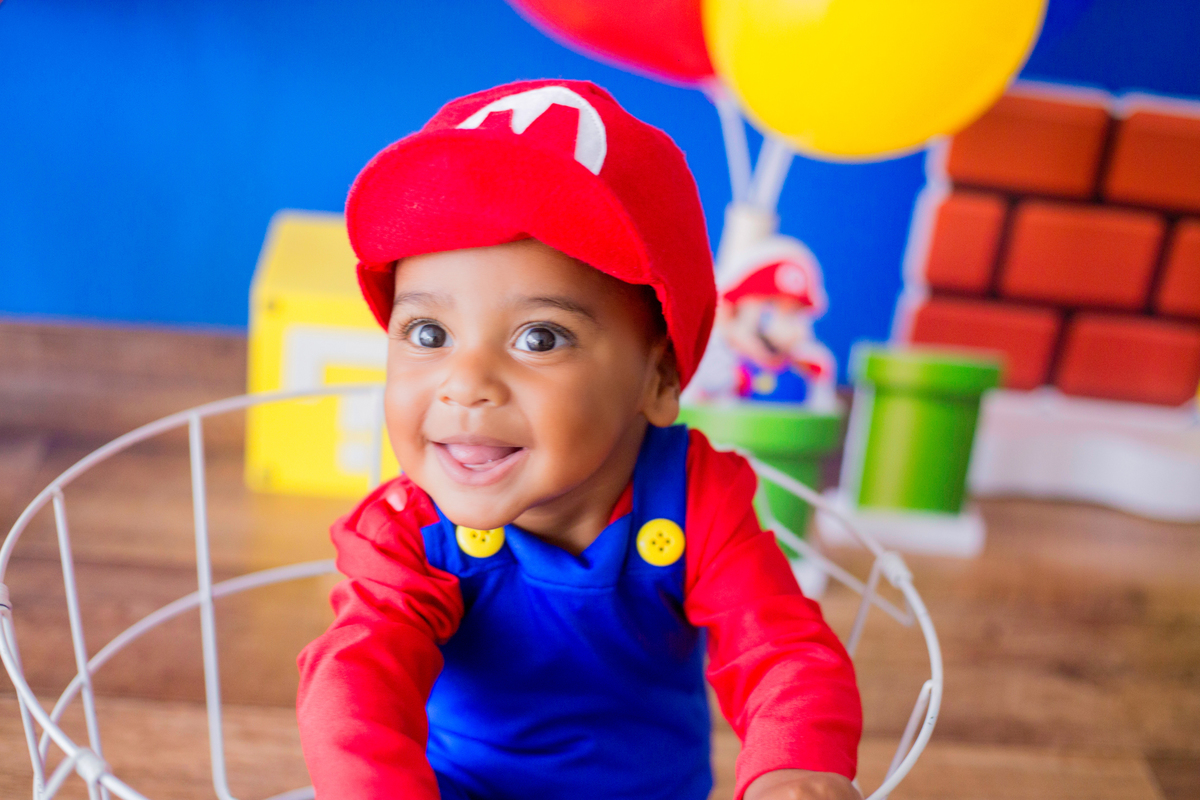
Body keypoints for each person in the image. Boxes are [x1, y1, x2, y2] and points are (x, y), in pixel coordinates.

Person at [296, 79, 861, 800]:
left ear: (658, 378)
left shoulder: (697, 502)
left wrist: (793, 769)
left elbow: (782, 650)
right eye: (428, 334)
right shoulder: (408, 534)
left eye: (540, 338)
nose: (465, 384)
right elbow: (355, 685)